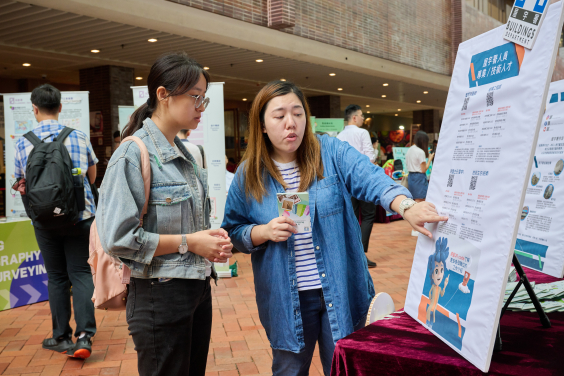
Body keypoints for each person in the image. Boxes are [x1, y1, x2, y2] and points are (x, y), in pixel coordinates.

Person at [221, 81, 448, 376]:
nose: (291, 123)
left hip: (340, 290)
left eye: (298, 114)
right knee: (289, 370)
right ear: (262, 124)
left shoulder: (330, 152)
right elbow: (233, 230)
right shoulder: (248, 173)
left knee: (343, 368)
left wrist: (404, 205)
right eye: (279, 116)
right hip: (286, 299)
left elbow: (369, 176)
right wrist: (261, 232)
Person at [96, 52, 233, 376]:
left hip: (196, 288)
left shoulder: (186, 154)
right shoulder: (132, 153)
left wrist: (209, 242)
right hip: (158, 293)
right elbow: (118, 238)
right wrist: (190, 242)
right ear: (163, 94)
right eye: (195, 97)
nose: (201, 107)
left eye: (204, 98)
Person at [14, 84, 98, 358]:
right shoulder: (78, 136)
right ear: (61, 108)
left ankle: (60, 336)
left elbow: (20, 183)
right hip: (79, 217)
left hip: (44, 221)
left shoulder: (22, 141)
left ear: (34, 109)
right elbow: (91, 176)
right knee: (81, 274)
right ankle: (84, 337)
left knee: (57, 277)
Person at [337, 104, 377, 267]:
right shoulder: (362, 133)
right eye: (361, 115)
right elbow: (370, 157)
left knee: (352, 218)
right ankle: (361, 253)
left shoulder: (339, 136)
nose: (362, 118)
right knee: (368, 215)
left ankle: (353, 255)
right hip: (363, 180)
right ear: (354, 117)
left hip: (346, 183)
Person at [406, 130, 434, 203]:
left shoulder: (410, 149)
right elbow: (423, 169)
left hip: (411, 177)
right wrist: (430, 159)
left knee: (414, 201)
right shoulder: (420, 152)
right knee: (420, 201)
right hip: (419, 178)